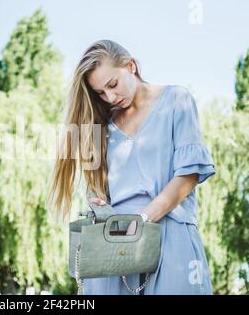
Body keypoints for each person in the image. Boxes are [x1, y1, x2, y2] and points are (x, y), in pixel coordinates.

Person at [46, 39, 216, 295]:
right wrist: (99, 204)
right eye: (101, 93)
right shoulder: (102, 127)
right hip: (116, 246)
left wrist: (142, 219)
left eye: (112, 84)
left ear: (131, 66)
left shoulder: (176, 100)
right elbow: (98, 190)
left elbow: (188, 175)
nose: (111, 97)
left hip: (170, 238)